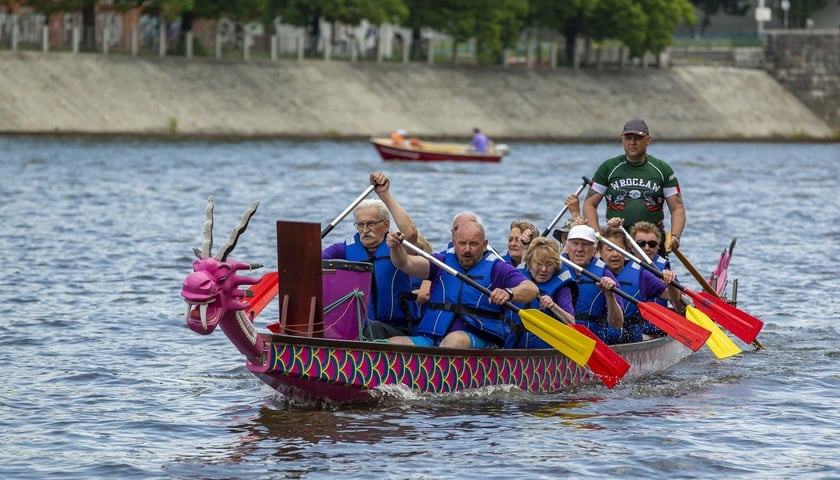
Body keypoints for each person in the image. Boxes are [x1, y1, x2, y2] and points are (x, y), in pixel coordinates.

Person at [386, 221, 539, 349]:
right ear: (454, 243)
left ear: (485, 244)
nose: (467, 249)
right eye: (462, 243)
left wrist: (509, 293)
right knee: (394, 343)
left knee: (454, 341)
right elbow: (404, 262)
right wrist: (395, 247)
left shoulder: (498, 268)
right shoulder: (442, 262)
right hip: (433, 339)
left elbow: (531, 289)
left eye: (473, 244)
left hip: (479, 340)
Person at [322, 172, 420, 340]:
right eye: (360, 224)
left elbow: (410, 232)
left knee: (373, 329)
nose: (365, 229)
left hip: (398, 328)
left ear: (386, 225)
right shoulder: (343, 250)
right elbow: (310, 261)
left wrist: (385, 195)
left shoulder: (398, 246)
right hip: (358, 328)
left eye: (371, 224)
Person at [583, 118, 686, 255]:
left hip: (650, 242)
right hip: (617, 241)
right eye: (628, 138)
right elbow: (589, 204)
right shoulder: (608, 168)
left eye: (637, 138)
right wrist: (597, 237)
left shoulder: (662, 169)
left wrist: (675, 236)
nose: (632, 142)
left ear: (648, 140)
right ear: (622, 140)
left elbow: (677, 208)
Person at [599, 226, 682, 342]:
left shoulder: (642, 275)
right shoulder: (591, 272)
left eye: (619, 249)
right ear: (599, 252)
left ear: (626, 250)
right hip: (598, 337)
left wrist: (671, 283)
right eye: (609, 249)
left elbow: (674, 297)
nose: (615, 254)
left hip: (632, 338)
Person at [506, 237, 578, 348]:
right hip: (513, 348)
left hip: (546, 352)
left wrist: (553, 306)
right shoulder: (516, 277)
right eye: (539, 264)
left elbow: (571, 323)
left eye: (549, 264)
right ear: (529, 263)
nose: (544, 269)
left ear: (555, 266)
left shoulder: (562, 287)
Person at [563, 224, 624, 344]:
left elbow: (617, 324)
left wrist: (609, 295)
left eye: (585, 244)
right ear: (567, 246)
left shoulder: (605, 274)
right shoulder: (553, 268)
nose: (579, 249)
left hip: (593, 341)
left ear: (594, 250)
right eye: (575, 243)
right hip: (561, 339)